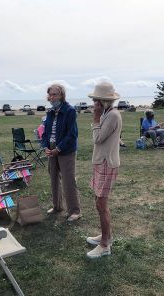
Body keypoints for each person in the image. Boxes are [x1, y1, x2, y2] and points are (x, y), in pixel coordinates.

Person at [86, 82, 122, 259]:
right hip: (101, 162)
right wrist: (99, 117)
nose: (94, 104)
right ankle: (106, 235)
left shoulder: (112, 115)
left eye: (95, 101)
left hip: (107, 163)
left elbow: (98, 139)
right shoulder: (107, 114)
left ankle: (105, 245)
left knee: (101, 204)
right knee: (98, 201)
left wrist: (95, 118)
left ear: (102, 101)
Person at [41, 83, 81, 222]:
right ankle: (57, 206)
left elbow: (72, 134)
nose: (52, 97)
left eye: (55, 94)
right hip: (51, 149)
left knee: (68, 180)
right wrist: (45, 146)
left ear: (61, 95)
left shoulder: (69, 110)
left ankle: (75, 211)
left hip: (65, 150)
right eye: (50, 94)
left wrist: (58, 149)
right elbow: (45, 132)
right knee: (53, 178)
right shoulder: (50, 112)